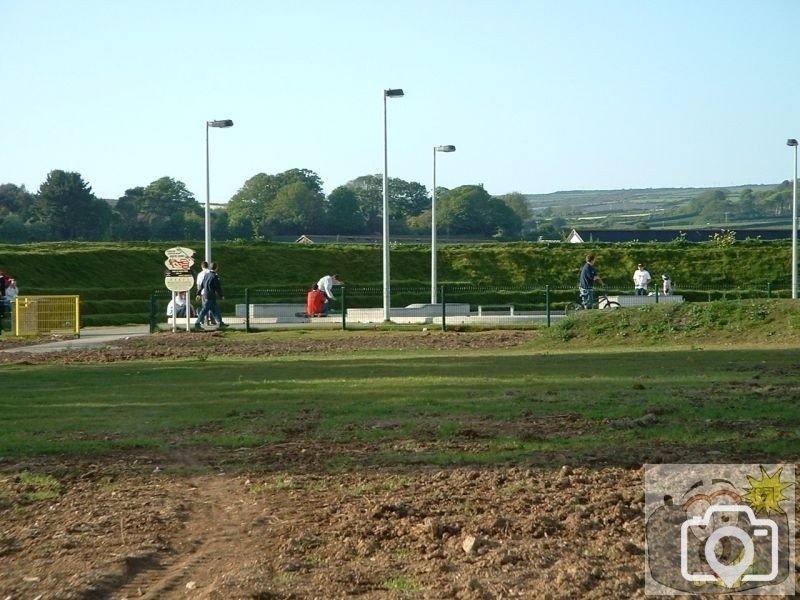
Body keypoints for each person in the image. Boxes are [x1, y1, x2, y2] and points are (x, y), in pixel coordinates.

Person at [194, 262, 228, 330]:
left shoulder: (206, 275)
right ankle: (197, 324)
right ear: (216, 268)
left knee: (216, 310)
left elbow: (202, 285)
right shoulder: (214, 276)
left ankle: (220, 323)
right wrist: (221, 295)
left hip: (205, 295)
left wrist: (198, 293)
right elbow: (217, 287)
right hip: (210, 296)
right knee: (204, 310)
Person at [195, 261, 216, 325]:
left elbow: (199, 285)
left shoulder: (200, 274)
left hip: (203, 293)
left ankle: (203, 320)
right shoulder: (211, 273)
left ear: (202, 267)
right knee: (212, 307)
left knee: (204, 307)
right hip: (211, 292)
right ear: (208, 266)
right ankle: (212, 320)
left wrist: (198, 294)